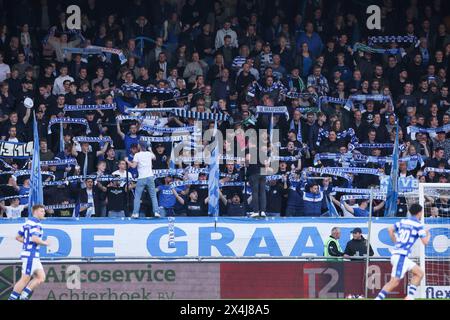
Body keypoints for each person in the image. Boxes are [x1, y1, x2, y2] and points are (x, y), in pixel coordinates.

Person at [375, 203, 431, 300]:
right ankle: (378, 299)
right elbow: (425, 242)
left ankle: (409, 297)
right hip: (401, 256)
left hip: (400, 255)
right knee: (394, 282)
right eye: (422, 212)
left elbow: (390, 229)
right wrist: (428, 234)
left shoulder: (403, 221)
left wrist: (395, 241)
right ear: (420, 213)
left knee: (419, 273)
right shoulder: (418, 225)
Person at [8, 204, 50, 300]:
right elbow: (35, 239)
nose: (44, 213)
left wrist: (27, 242)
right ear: (35, 212)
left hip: (32, 255)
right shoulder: (37, 224)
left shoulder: (27, 223)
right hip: (31, 255)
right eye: (41, 211)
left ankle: (23, 296)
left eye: (44, 211)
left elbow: (17, 237)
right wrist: (46, 243)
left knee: (41, 277)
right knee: (24, 279)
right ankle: (12, 298)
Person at [125, 141, 160, 218]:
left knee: (137, 196)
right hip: (150, 177)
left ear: (139, 146)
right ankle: (156, 212)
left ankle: (135, 213)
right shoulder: (149, 153)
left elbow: (133, 166)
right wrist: (150, 149)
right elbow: (155, 157)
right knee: (153, 196)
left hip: (141, 178)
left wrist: (127, 161)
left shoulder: (137, 155)